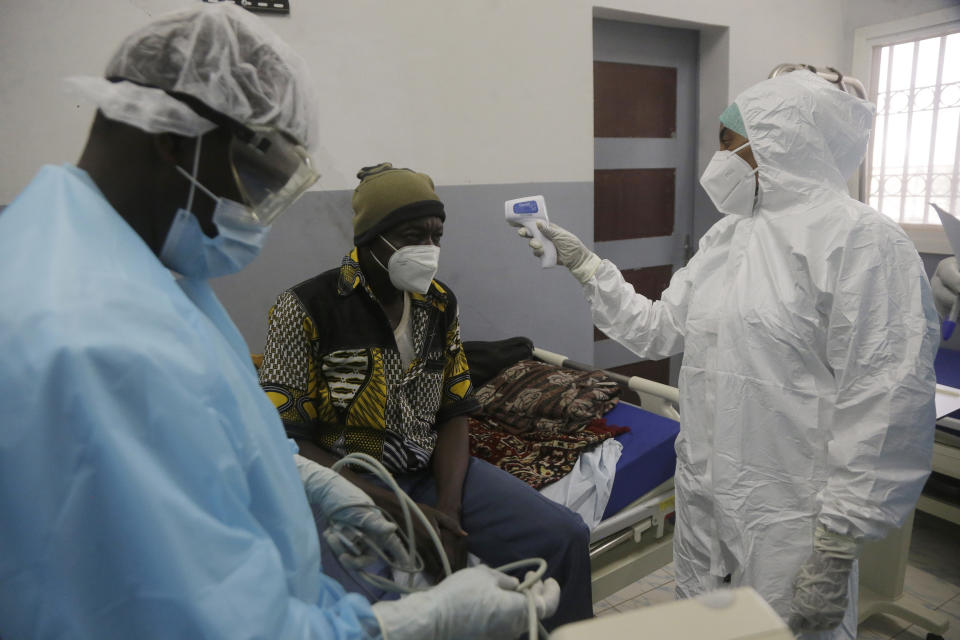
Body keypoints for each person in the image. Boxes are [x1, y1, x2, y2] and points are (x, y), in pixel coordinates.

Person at [0, 6, 557, 640]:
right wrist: (427, 620)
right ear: (173, 140)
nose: (259, 211)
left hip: (373, 503)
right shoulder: (96, 341)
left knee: (553, 534)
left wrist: (325, 491)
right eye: (261, 176)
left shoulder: (148, 274)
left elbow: (228, 437)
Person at [517, 71, 938, 639]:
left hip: (793, 515)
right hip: (706, 495)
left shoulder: (863, 242)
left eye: (725, 141)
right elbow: (657, 329)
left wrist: (838, 544)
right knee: (706, 625)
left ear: (776, 141)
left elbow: (885, 404)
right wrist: (586, 266)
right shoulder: (728, 239)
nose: (717, 157)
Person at [258, 162, 594, 629]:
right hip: (345, 485)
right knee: (363, 599)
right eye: (413, 235)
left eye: (437, 235)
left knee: (563, 535)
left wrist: (450, 513)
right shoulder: (305, 309)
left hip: (429, 472)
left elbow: (454, 410)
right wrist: (400, 509)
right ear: (372, 237)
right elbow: (288, 440)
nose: (428, 249)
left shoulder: (437, 303)